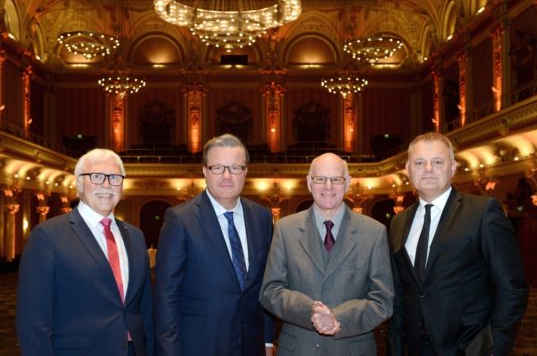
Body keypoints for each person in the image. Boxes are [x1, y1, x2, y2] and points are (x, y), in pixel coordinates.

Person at [388, 132, 528, 355]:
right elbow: (399, 292)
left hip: (469, 347)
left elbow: (512, 287)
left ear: (452, 167)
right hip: (415, 347)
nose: (428, 169)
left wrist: (494, 347)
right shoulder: (398, 222)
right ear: (408, 168)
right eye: (419, 162)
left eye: (437, 162)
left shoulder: (483, 212)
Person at [16, 148, 154, 356]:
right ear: (79, 183)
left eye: (115, 177)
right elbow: (33, 320)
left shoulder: (135, 236)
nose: (106, 185)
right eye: (96, 177)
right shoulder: (48, 235)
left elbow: (145, 308)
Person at [260, 152, 394, 355]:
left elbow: (382, 301)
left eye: (336, 179)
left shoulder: (374, 232)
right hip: (298, 350)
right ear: (309, 182)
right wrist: (311, 311)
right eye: (321, 179)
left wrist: (337, 317)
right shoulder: (285, 229)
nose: (328, 187)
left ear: (347, 182)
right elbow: (270, 291)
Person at [155, 133, 274, 355]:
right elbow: (167, 297)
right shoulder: (180, 219)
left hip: (251, 345)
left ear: (245, 172)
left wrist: (267, 341)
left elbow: (263, 287)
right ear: (205, 171)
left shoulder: (262, 218)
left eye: (235, 168)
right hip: (200, 345)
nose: (227, 176)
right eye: (217, 168)